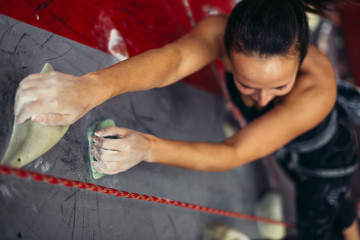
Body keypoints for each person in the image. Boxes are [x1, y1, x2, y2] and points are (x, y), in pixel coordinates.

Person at [14, 0, 359, 239]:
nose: (263, 100)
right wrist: (90, 87)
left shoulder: (316, 92)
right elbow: (174, 61)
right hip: (283, 137)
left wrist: (148, 147)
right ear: (228, 45)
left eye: (280, 86)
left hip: (322, 158)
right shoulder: (218, 31)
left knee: (317, 221)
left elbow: (235, 152)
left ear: (302, 60)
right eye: (246, 84)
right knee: (319, 193)